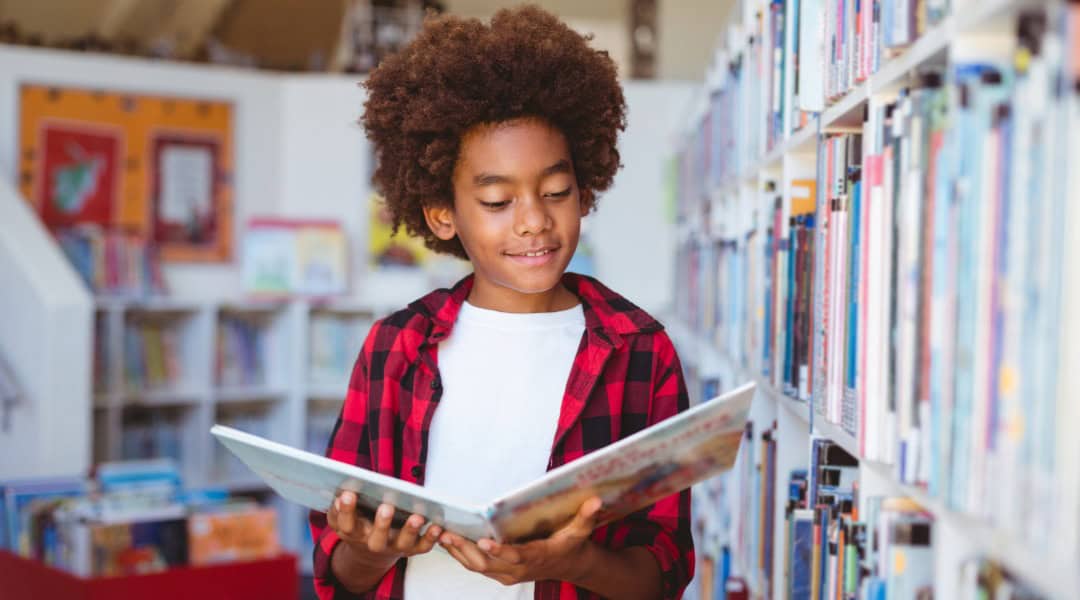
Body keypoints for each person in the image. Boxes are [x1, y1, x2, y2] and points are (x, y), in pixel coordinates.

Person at [308, 6, 694, 599]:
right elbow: (337, 575)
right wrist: (366, 551)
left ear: (584, 191)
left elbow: (663, 573)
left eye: (556, 191)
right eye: (496, 202)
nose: (535, 221)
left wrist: (575, 562)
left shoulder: (640, 351)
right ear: (443, 215)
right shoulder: (396, 348)